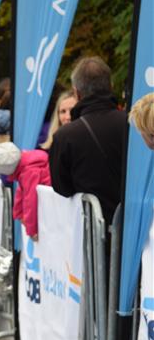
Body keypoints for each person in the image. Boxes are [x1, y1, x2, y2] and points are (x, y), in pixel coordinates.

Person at [49, 56, 126, 225]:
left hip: (91, 229)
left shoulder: (65, 136)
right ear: (111, 86)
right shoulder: (132, 124)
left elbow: (62, 188)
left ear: (76, 92)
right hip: (137, 228)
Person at [0, 141, 51, 239]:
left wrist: (32, 231)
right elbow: (22, 189)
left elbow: (30, 199)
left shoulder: (29, 173)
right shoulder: (26, 163)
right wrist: (18, 213)